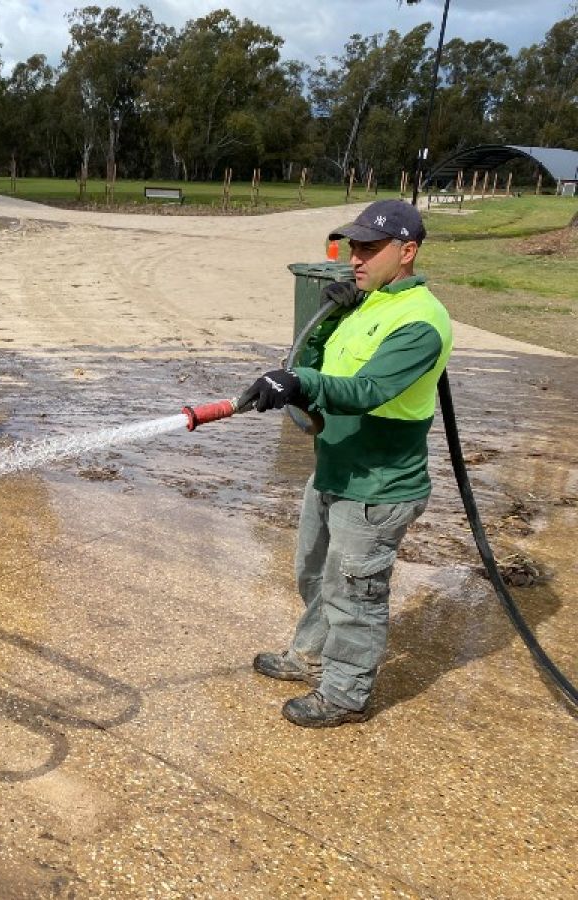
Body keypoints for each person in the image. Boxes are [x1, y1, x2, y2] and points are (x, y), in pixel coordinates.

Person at [238, 198, 453, 727]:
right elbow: (312, 368)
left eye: (370, 248)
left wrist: (301, 383)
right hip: (334, 467)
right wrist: (323, 326)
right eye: (353, 246)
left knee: (355, 592)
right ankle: (309, 654)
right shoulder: (365, 304)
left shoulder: (421, 321)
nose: (355, 258)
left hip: (377, 484)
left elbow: (368, 389)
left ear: (408, 252)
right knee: (313, 573)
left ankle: (344, 693)